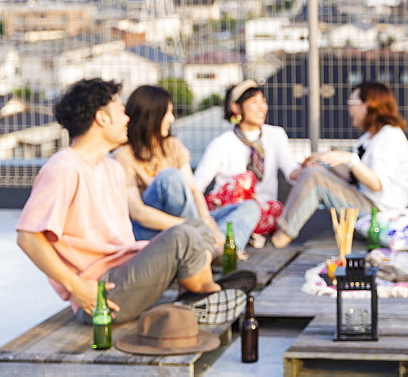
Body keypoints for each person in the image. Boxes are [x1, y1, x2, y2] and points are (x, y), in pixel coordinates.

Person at [16, 78, 246, 325]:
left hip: (128, 270)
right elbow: (28, 237)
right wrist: (78, 287)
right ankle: (204, 295)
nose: (128, 119)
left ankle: (196, 294)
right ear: (101, 118)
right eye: (121, 111)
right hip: (102, 293)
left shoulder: (112, 168)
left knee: (196, 228)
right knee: (185, 235)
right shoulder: (64, 168)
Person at [113, 84, 260, 255]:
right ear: (150, 115)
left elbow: (193, 190)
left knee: (249, 208)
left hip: (188, 224)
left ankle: (219, 250)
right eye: (167, 113)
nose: (172, 119)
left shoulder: (173, 146)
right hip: (151, 231)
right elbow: (138, 213)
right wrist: (192, 225)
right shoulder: (123, 156)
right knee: (170, 177)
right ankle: (206, 247)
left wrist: (206, 221)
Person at [270, 81, 408, 248]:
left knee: (315, 177)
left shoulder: (390, 135)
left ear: (367, 106)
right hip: (365, 201)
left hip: (378, 212)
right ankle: (283, 231)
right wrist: (323, 159)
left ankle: (283, 235)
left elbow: (376, 183)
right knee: (316, 170)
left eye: (352, 103)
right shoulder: (369, 137)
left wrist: (350, 159)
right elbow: (352, 176)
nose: (349, 109)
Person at [193, 80, 301, 248]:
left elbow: (291, 171)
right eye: (254, 102)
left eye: (263, 101)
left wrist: (310, 168)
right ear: (236, 108)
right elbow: (197, 185)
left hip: (261, 213)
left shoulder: (276, 135)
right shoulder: (221, 143)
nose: (261, 107)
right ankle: (224, 244)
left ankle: (239, 240)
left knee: (275, 208)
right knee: (246, 180)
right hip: (229, 211)